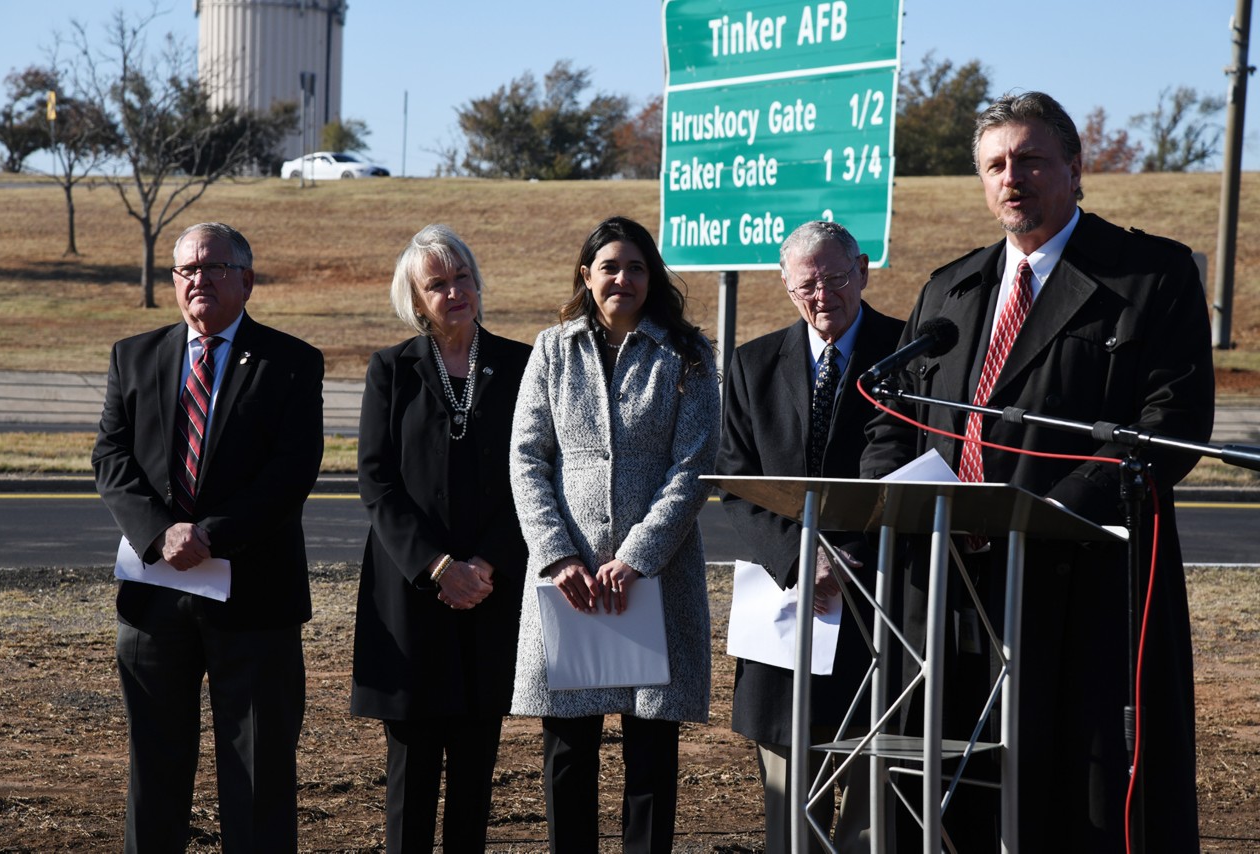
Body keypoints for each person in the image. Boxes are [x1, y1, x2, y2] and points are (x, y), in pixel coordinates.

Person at [860, 91, 1214, 850]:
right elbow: (897, 421)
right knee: (960, 801)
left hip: (1079, 586)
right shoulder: (950, 289)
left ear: (1076, 168)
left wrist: (1034, 522)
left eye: (1030, 160)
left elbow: (1169, 428)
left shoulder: (1149, 277)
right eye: (994, 165)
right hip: (955, 591)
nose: (1010, 178)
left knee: (1074, 803)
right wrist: (908, 499)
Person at [93, 221, 325, 851]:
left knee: (257, 774)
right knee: (155, 766)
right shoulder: (133, 357)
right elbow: (112, 461)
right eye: (186, 270)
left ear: (246, 280)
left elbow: (291, 472)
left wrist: (209, 537)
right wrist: (162, 534)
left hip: (255, 598)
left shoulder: (293, 364)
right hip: (153, 598)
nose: (198, 280)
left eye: (213, 267)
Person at [508, 216, 720, 854]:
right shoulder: (552, 348)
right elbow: (526, 458)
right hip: (569, 585)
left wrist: (636, 558)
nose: (622, 278)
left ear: (651, 276)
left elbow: (694, 468)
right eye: (609, 267)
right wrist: (556, 555)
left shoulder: (687, 354)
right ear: (586, 275)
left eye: (635, 267)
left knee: (651, 755)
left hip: (656, 580)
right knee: (568, 752)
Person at [716, 220, 904, 852]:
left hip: (881, 607)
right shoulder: (751, 364)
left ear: (865, 271)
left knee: (873, 809)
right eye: (807, 285)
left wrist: (842, 557)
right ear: (786, 287)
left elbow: (900, 464)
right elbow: (734, 483)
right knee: (788, 815)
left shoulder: (909, 353)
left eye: (836, 277)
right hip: (786, 605)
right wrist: (802, 558)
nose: (823, 294)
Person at [350, 224, 530, 852]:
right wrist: (437, 566)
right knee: (412, 772)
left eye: (462, 278)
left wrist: (485, 564)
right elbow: (377, 483)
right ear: (415, 299)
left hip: (491, 590)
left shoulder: (522, 364)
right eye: (437, 284)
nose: (453, 292)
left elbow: (538, 475)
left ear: (478, 284)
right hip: (413, 598)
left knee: (477, 769)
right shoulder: (390, 370)